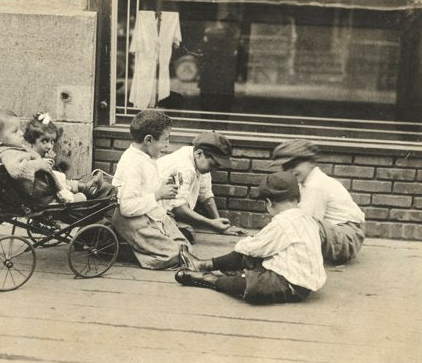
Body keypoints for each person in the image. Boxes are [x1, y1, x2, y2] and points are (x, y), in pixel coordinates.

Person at [175, 171, 325, 304]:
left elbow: (252, 248)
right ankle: (202, 264)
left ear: (269, 203)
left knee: (249, 283)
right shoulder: (306, 218)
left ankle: (208, 278)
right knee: (251, 261)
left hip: (291, 284)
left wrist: (247, 241)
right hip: (301, 278)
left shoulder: (282, 223)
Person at [270, 138, 365, 266]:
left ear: (311, 162)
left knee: (298, 221)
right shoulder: (308, 182)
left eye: (294, 165)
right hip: (340, 234)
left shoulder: (315, 185)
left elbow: (305, 222)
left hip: (345, 239)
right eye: (285, 167)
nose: (290, 171)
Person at [112, 109, 185, 269]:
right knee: (175, 254)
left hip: (149, 213)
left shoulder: (146, 157)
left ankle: (144, 247)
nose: (167, 145)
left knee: (184, 247)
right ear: (149, 140)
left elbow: (148, 187)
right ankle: (123, 251)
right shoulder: (132, 163)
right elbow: (126, 207)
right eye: (166, 139)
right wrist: (158, 195)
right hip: (132, 219)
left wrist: (165, 185)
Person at [155, 131, 234, 242]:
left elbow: (205, 195)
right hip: (154, 210)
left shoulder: (198, 160)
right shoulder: (185, 167)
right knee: (186, 235)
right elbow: (178, 208)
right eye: (212, 165)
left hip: (170, 210)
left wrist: (219, 223)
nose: (214, 169)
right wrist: (211, 223)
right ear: (199, 154)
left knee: (187, 233)